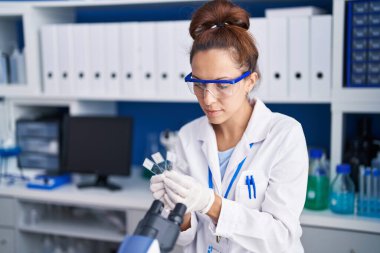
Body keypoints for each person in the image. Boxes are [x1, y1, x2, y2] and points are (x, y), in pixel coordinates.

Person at [150, 0, 308, 252]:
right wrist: (178, 208)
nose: (208, 98)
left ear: (250, 81)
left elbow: (280, 237)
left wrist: (210, 204)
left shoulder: (284, 135)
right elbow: (185, 238)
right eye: (199, 84)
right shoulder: (189, 135)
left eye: (222, 85)